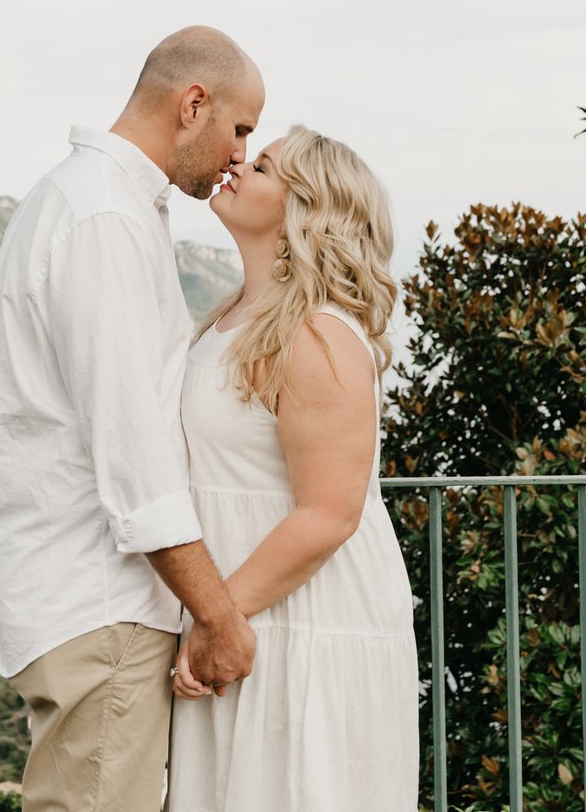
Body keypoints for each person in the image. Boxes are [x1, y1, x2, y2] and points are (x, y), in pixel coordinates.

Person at [0, 26, 265, 812]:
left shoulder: (89, 201)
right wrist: (218, 615)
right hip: (101, 605)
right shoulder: (103, 217)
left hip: (87, 602)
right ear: (193, 104)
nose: (242, 154)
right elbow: (134, 454)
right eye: (241, 129)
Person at [166, 126, 418, 811]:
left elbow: (329, 513)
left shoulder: (316, 332)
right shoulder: (229, 319)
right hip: (244, 613)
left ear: (304, 208)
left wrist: (217, 619)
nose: (240, 164)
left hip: (306, 620)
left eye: (265, 165)